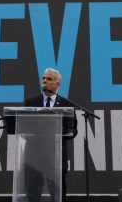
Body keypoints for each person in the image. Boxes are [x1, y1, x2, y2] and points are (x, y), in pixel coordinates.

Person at [24, 68, 77, 202]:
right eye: (44, 78)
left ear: (57, 84)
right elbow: (24, 127)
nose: (44, 81)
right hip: (34, 157)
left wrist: (53, 134)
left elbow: (72, 130)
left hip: (56, 156)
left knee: (58, 195)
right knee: (32, 194)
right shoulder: (31, 103)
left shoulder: (67, 105)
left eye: (49, 79)